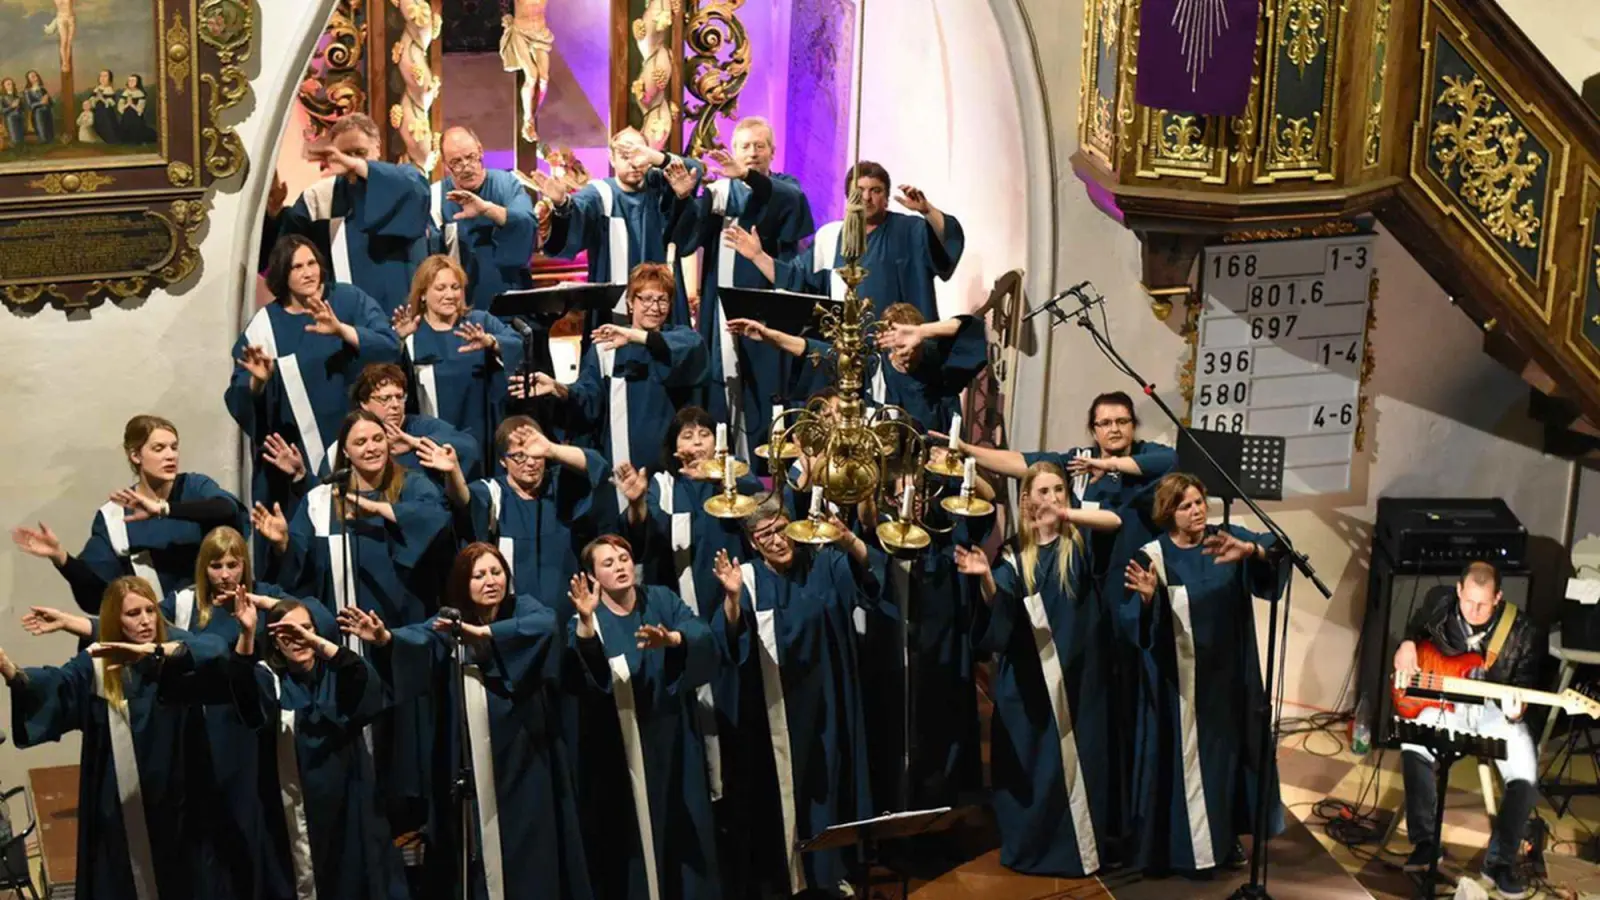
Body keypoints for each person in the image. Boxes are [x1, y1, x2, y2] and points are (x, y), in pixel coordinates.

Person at [343, 544, 591, 900]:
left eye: (496, 572)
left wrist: (486, 636)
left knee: (531, 854)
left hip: (525, 758)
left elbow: (546, 626)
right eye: (479, 575)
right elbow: (419, 641)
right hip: (469, 759)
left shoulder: (524, 608)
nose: (490, 581)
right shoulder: (451, 620)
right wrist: (384, 638)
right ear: (463, 582)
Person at [255, 409, 453, 831]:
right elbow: (302, 568)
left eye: (377, 439)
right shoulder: (320, 499)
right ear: (344, 451)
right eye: (360, 442)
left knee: (399, 738)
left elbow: (436, 525)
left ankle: (404, 825)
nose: (371, 448)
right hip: (341, 642)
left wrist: (370, 506)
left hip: (395, 633)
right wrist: (285, 542)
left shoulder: (411, 485)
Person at [953, 462, 1122, 876]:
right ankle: (1032, 847)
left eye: (1059, 490)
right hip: (1029, 680)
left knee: (1081, 764)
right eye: (1042, 492)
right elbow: (1002, 606)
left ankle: (1082, 849)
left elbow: (1113, 521)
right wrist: (985, 580)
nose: (1051, 499)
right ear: (1026, 500)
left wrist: (1065, 516)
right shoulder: (1014, 553)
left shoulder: (1079, 543)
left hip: (1079, 679)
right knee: (1033, 767)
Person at [3, 577, 213, 899]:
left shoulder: (173, 654)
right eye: (133, 614)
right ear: (115, 620)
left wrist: (161, 649)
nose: (144, 620)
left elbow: (215, 650)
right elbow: (58, 685)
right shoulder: (98, 665)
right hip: (119, 809)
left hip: (176, 805)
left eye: (149, 610)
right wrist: (13, 673)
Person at [712, 496, 877, 896]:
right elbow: (728, 639)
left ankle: (828, 870)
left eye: (781, 528)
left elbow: (870, 580)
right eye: (763, 534)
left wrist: (850, 540)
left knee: (829, 782)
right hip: (777, 710)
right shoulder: (747, 578)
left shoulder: (824, 562)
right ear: (752, 542)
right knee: (785, 792)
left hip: (831, 699)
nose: (776, 539)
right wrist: (732, 600)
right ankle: (789, 875)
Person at [1121, 472, 1285, 874]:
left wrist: (1252, 551)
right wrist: (1145, 602)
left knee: (1226, 766)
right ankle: (1181, 850)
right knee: (1184, 766)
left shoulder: (1225, 538)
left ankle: (1224, 839)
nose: (1196, 511)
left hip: (1231, 680)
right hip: (1179, 683)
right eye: (1185, 505)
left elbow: (1277, 551)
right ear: (1168, 513)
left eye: (1199, 501)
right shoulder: (1152, 557)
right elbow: (1132, 622)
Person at [214, 592, 408, 900]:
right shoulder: (270, 679)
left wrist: (315, 641)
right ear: (274, 641)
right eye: (285, 632)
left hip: (351, 806)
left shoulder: (336, 675)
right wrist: (248, 633)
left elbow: (363, 680)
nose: (297, 638)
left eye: (305, 628)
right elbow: (245, 694)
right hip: (295, 817)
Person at [566, 535, 721, 900]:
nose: (620, 566)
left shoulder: (661, 599)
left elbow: (700, 633)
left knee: (683, 834)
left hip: (674, 739)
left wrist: (674, 639)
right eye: (608, 563)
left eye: (624, 558)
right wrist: (586, 624)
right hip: (623, 751)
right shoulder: (590, 618)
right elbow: (581, 677)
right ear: (591, 575)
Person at [621, 406, 764, 802]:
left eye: (704, 433)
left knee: (738, 707)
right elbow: (643, 535)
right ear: (673, 445)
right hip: (682, 615)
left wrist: (721, 474)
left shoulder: (734, 477)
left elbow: (762, 506)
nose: (697, 441)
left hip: (730, 609)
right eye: (687, 435)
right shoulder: (663, 486)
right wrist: (636, 504)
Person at [227, 235, 399, 559]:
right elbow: (238, 397)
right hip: (293, 459)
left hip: (355, 445)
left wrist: (341, 331)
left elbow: (389, 346)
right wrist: (258, 383)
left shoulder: (347, 301)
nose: (308, 273)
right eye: (297, 267)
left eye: (311, 264)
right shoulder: (266, 326)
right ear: (282, 274)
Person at [1392, 561, 1543, 898]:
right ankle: (1425, 844)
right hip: (1447, 702)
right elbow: (1416, 629)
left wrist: (1517, 711)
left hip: (1493, 710)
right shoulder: (1439, 604)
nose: (1474, 611)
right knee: (1413, 741)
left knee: (1526, 771)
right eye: (1468, 601)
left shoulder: (1524, 631)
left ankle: (1500, 862)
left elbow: (1525, 686)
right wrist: (1406, 644)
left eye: (1483, 604)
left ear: (1499, 598)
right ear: (1458, 591)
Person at [12, 415, 247, 615]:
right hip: (159, 629)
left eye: (174, 447)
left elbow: (227, 509)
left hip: (211, 619)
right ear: (136, 456)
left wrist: (165, 509)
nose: (171, 455)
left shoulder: (194, 487)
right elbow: (98, 595)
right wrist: (61, 557)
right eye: (159, 448)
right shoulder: (114, 516)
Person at [522, 262, 708, 512]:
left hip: (670, 465)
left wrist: (634, 336)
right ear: (631, 302)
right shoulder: (605, 349)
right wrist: (559, 388)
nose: (655, 307)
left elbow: (692, 353)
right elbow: (587, 399)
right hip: (621, 460)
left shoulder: (682, 340)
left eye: (662, 300)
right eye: (647, 299)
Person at [724, 161, 963, 323]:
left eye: (876, 190)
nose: (867, 197)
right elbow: (797, 279)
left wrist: (927, 210)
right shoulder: (831, 236)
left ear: (887, 198)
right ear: (848, 196)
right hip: (848, 350)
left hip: (901, 351)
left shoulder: (911, 230)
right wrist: (758, 256)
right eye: (860, 190)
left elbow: (947, 243)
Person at [426, 415, 611, 625]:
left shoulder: (561, 485)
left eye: (536, 455)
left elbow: (598, 467)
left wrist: (552, 449)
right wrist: (453, 472)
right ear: (503, 460)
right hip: (515, 622)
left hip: (567, 613)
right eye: (519, 456)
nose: (530, 463)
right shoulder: (494, 493)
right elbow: (464, 500)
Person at [667, 144, 784, 455]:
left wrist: (746, 177)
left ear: (772, 151)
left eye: (760, 145)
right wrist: (686, 199)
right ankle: (728, 461)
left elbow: (788, 215)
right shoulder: (719, 193)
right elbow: (688, 240)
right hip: (721, 308)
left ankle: (765, 470)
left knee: (766, 387)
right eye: (745, 146)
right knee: (726, 382)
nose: (753, 151)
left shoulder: (786, 189)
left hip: (769, 308)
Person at [526, 128, 702, 332]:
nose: (635, 163)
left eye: (640, 155)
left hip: (661, 301)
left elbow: (694, 170)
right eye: (626, 156)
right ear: (611, 158)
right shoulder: (600, 194)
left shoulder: (660, 185)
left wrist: (656, 157)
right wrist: (562, 203)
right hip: (614, 308)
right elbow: (576, 216)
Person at [729, 301, 986, 432]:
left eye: (910, 345)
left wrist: (922, 331)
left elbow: (968, 328)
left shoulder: (936, 365)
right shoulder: (871, 365)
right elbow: (811, 350)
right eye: (895, 346)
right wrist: (767, 335)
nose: (905, 353)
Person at [265, 113, 432, 313]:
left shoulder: (407, 181)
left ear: (377, 148)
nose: (350, 162)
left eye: (359, 153)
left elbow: (418, 193)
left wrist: (359, 166)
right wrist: (273, 217)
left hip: (407, 310)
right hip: (349, 318)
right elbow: (285, 255)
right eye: (344, 154)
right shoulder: (319, 198)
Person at [392, 254, 522, 454]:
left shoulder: (480, 322)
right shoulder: (413, 334)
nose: (450, 295)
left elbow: (518, 344)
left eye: (456, 287)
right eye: (440, 288)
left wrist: (491, 342)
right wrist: (397, 342)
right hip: (438, 436)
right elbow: (392, 382)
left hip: (485, 431)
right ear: (423, 294)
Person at [431, 127, 539, 308]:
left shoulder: (507, 185)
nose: (466, 167)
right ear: (445, 164)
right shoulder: (436, 197)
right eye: (456, 162)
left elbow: (526, 223)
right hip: (461, 307)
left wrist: (487, 209)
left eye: (471, 157)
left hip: (510, 301)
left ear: (481, 151)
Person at [350, 362, 483, 481]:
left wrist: (415, 443)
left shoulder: (422, 425)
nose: (395, 404)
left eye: (400, 397)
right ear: (364, 402)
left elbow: (469, 447)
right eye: (385, 398)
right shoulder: (353, 434)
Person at [499, 0, 553, 144]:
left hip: (540, 33)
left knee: (543, 78)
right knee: (531, 75)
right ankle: (527, 119)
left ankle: (531, 118)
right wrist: (505, 15)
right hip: (521, 32)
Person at [114, 74, 155, 144]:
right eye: (130, 80)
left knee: (137, 131)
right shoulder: (125, 93)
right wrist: (127, 104)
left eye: (133, 80)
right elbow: (120, 106)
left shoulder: (140, 93)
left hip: (136, 116)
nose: (131, 82)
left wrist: (132, 104)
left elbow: (140, 109)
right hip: (126, 116)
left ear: (137, 82)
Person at [23, 71, 53, 145]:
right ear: (29, 80)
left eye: (36, 75)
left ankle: (50, 142)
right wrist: (41, 103)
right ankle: (43, 142)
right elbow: (30, 105)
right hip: (37, 113)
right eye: (32, 77)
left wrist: (48, 99)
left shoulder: (42, 89)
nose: (35, 78)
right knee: (42, 131)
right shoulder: (28, 91)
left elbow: (51, 103)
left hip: (47, 111)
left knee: (49, 131)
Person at [91, 69, 118, 143]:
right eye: (101, 76)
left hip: (106, 112)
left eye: (105, 76)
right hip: (97, 111)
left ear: (109, 78)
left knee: (107, 125)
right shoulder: (96, 89)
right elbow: (92, 101)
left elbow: (111, 103)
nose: (102, 78)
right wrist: (96, 99)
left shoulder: (109, 89)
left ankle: (110, 140)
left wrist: (102, 98)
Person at [0, 79, 23, 148]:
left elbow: (22, 108)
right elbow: (1, 111)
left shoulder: (17, 96)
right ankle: (14, 144)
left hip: (20, 117)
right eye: (8, 84)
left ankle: (20, 145)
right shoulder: (2, 98)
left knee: (21, 139)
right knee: (15, 139)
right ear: (4, 86)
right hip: (10, 118)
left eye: (12, 84)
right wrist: (12, 107)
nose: (11, 86)